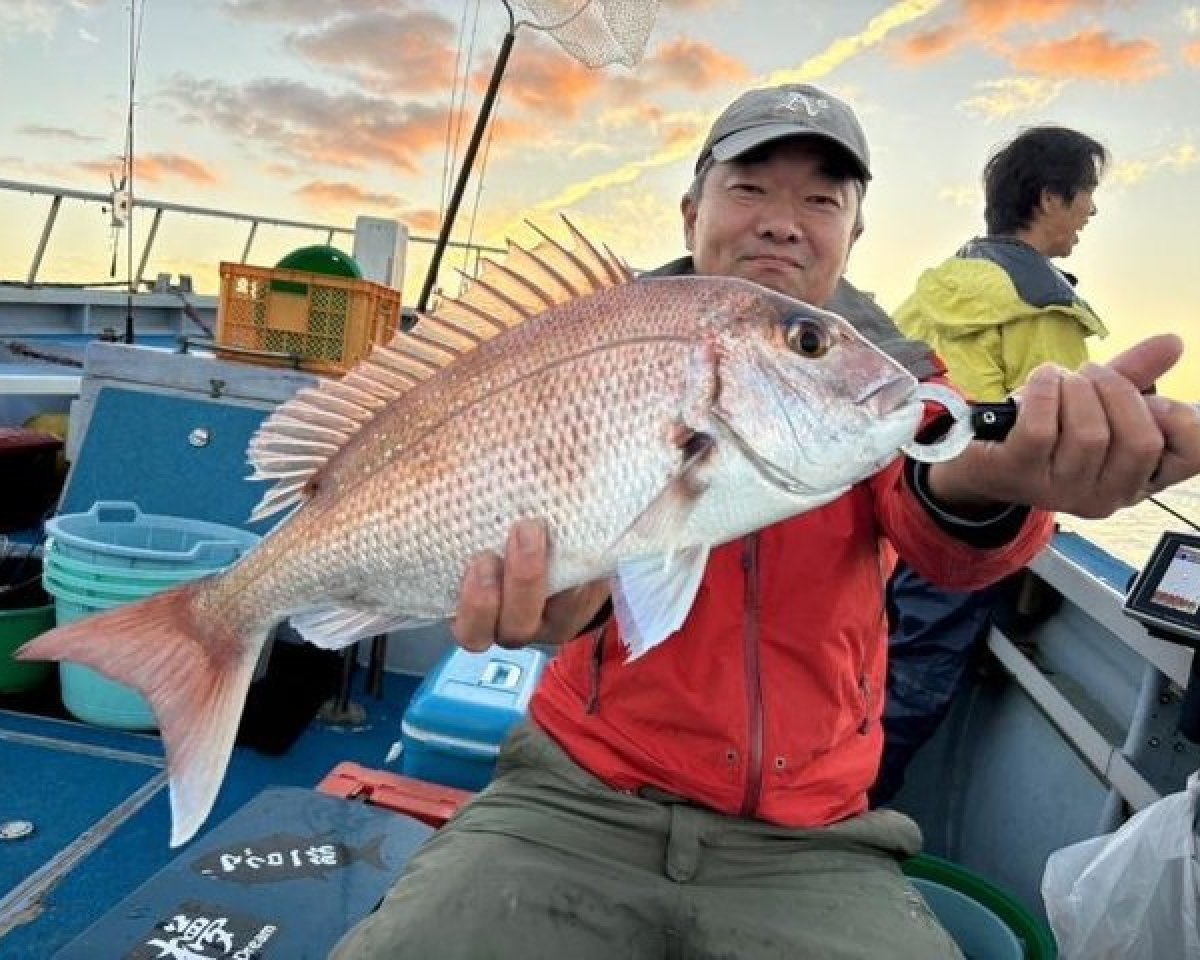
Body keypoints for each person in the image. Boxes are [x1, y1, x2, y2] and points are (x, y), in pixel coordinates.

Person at [332, 85, 1198, 960]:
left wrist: (1005, 484)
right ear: (690, 211)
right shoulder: (585, 340)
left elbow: (942, 521)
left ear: (854, 235)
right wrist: (573, 598)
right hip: (574, 792)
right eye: (750, 187)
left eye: (822, 198)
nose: (785, 221)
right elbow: (563, 543)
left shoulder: (885, 375)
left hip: (813, 836)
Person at [872, 126, 1111, 806]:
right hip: (964, 520)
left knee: (867, 667)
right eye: (1086, 194)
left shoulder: (934, 289)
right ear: (1049, 197)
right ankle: (837, 820)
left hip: (886, 502)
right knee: (919, 674)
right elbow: (1065, 446)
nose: (1091, 211)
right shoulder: (1045, 305)